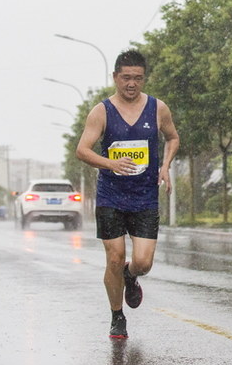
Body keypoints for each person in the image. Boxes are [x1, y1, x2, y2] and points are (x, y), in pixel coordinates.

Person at [76, 49, 180, 340]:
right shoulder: (102, 111)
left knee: (143, 261)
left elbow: (172, 137)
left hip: (145, 195)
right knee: (114, 258)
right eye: (126, 78)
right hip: (111, 195)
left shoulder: (158, 109)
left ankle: (131, 275)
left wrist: (165, 165)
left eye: (138, 78)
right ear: (115, 78)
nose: (132, 84)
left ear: (144, 78)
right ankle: (117, 316)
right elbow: (82, 150)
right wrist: (111, 163)